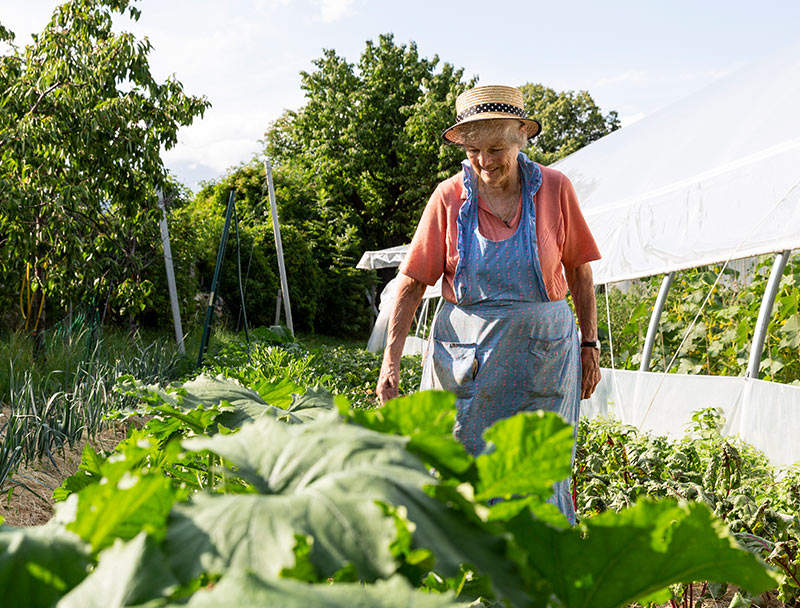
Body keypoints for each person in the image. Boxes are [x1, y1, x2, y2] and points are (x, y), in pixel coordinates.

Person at [376, 85, 601, 523]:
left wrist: (590, 344)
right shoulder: (449, 197)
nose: (485, 161)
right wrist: (391, 362)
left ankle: (538, 583)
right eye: (475, 150)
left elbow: (579, 270)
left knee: (538, 471)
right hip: (468, 363)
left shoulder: (554, 189)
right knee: (461, 471)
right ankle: (465, 583)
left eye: (496, 147)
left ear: (521, 136)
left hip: (544, 360)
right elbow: (412, 282)